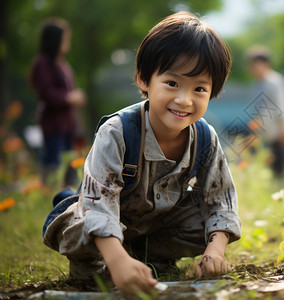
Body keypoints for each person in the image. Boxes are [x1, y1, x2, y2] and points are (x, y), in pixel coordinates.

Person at [42, 12, 240, 295]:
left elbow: (220, 198)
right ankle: (105, 262)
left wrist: (216, 250)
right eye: (172, 83)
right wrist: (117, 260)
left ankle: (150, 257)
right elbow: (98, 203)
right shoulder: (118, 132)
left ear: (213, 92)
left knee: (205, 221)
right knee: (77, 220)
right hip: (105, 218)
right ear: (144, 79)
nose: (184, 100)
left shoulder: (205, 138)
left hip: (159, 226)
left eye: (199, 88)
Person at [30, 18, 86, 185]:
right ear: (55, 40)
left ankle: (67, 196)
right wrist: (69, 97)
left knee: (70, 164)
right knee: (53, 164)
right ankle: (50, 195)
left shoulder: (62, 64)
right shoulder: (42, 63)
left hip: (68, 124)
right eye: (65, 38)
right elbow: (45, 92)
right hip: (53, 124)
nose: (67, 42)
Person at [247, 46, 284, 182]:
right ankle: (274, 186)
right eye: (251, 66)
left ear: (266, 64)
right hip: (263, 132)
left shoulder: (275, 81)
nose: (254, 69)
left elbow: (283, 106)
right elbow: (258, 109)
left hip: (277, 130)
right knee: (267, 161)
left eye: (256, 65)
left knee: (280, 162)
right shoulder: (256, 84)